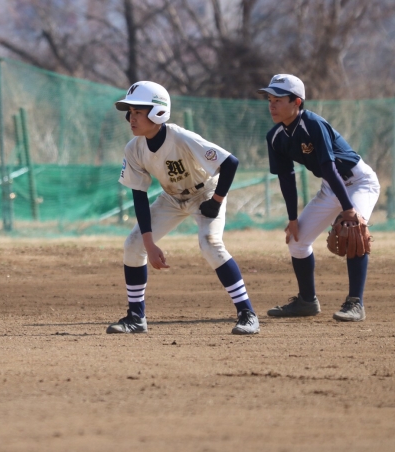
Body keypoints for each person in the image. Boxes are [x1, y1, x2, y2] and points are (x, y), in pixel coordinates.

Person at [108, 81, 260, 336]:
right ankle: (136, 317)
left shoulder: (181, 138)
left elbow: (230, 163)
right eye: (130, 112)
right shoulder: (134, 148)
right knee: (133, 245)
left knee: (210, 244)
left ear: (158, 112)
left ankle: (247, 313)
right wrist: (149, 244)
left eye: (138, 112)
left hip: (205, 192)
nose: (131, 118)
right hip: (171, 198)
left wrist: (216, 201)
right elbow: (139, 195)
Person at [258, 74, 380, 322]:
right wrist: (293, 219)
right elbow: (286, 178)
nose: (272, 105)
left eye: (278, 99)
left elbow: (328, 167)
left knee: (353, 231)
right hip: (330, 186)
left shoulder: (313, 124)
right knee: (297, 240)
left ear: (297, 102)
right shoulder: (275, 137)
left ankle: (355, 304)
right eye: (270, 99)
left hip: (358, 182)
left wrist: (348, 209)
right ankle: (307, 301)